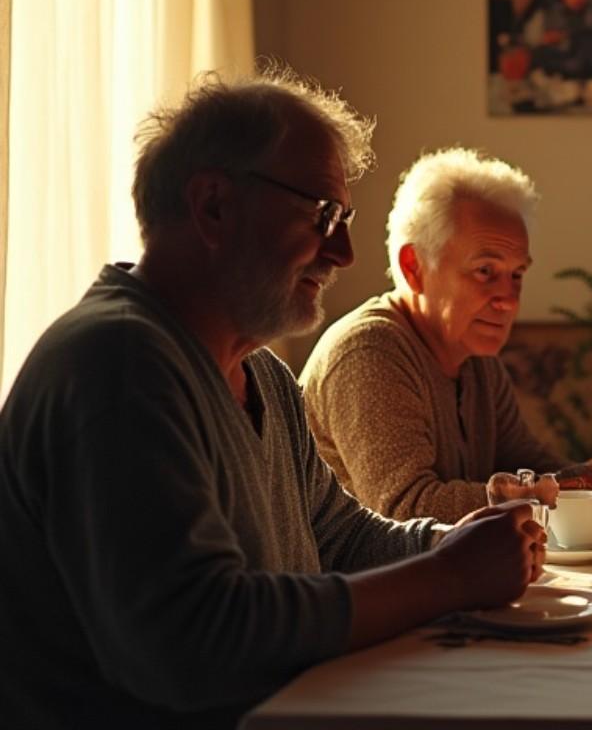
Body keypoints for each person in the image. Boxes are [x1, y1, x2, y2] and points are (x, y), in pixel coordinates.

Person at [0, 68, 545, 727]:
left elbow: (338, 538)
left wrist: (451, 540)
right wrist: (451, 576)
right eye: (323, 215)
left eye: (343, 219)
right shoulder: (119, 367)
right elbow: (194, 643)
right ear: (214, 208)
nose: (342, 252)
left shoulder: (264, 377)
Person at [300, 147, 592, 522]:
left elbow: (532, 467)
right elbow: (405, 509)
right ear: (414, 266)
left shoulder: (476, 359)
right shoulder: (368, 352)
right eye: (485, 271)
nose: (508, 301)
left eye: (517, 275)